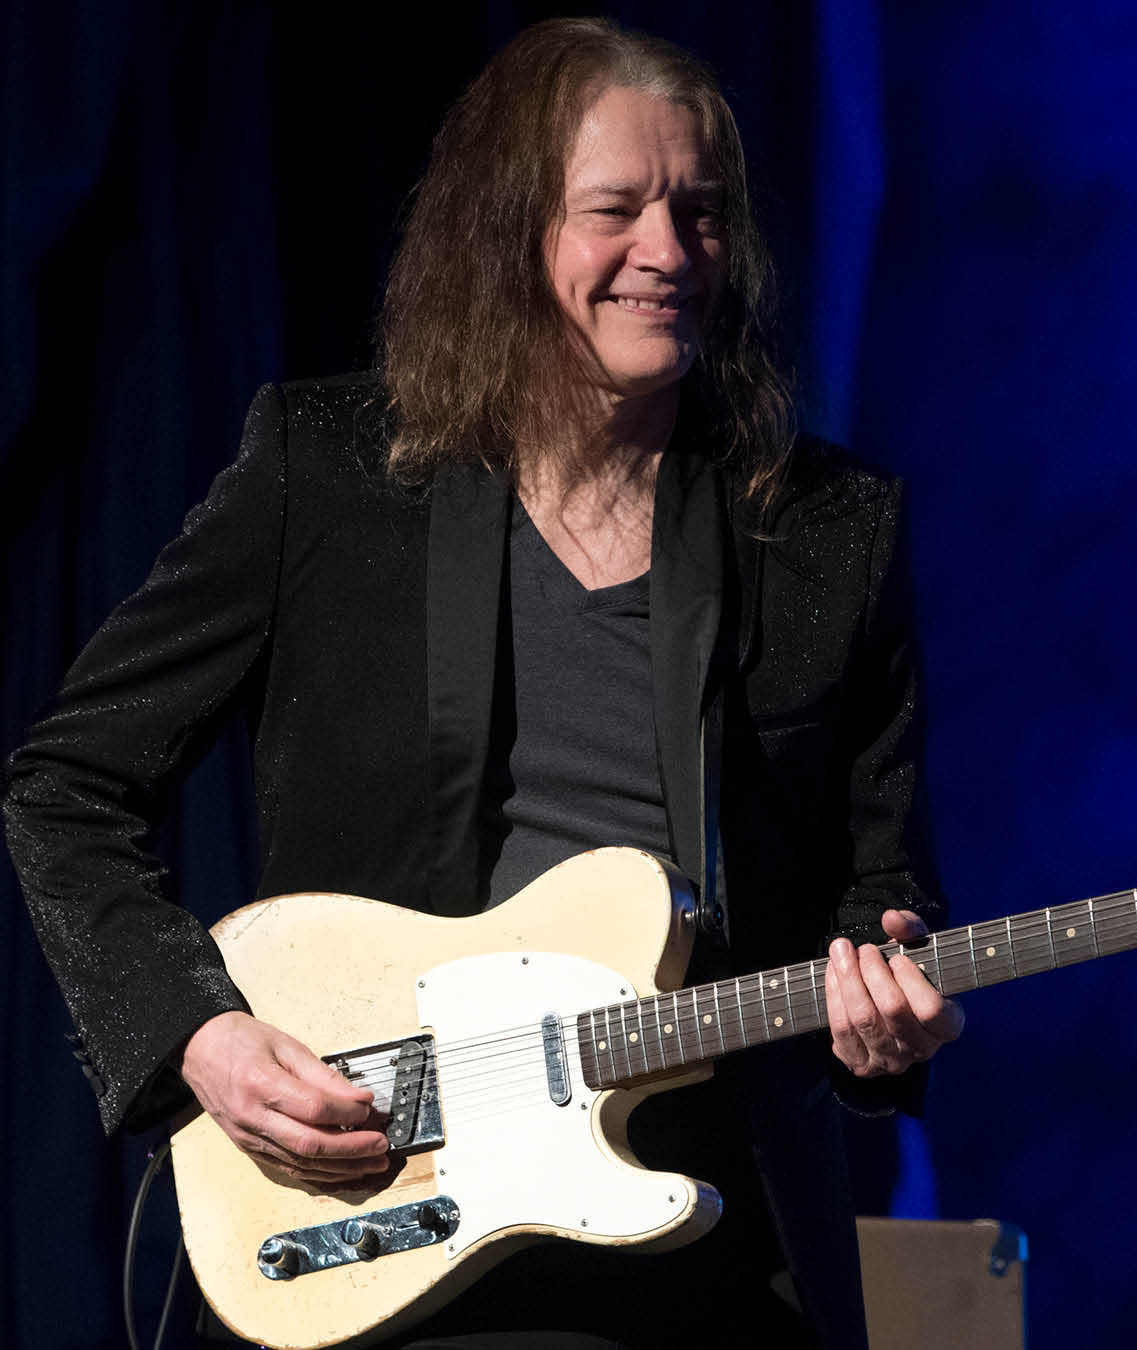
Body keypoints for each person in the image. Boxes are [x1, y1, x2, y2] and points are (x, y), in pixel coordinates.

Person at [5, 18, 957, 1349]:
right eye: (616, 211)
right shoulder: (326, 472)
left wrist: (879, 1016)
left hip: (699, 1232)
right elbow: (65, 785)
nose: (670, 255)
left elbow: (883, 881)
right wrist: (197, 1036)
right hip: (371, 1207)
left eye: (703, 213)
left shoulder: (831, 528)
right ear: (508, 234)